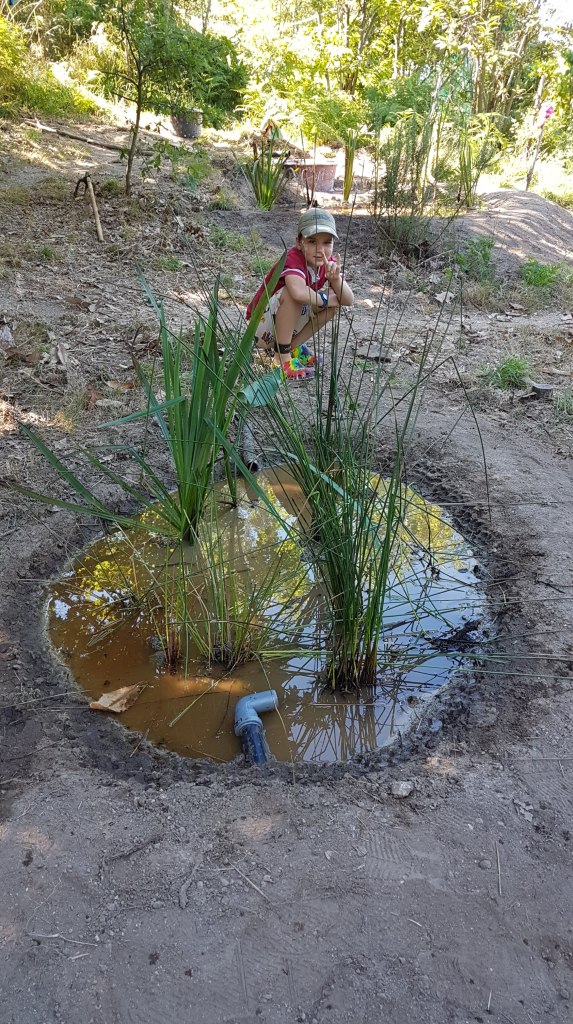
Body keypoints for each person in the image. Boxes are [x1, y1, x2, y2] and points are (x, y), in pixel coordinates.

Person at [246, 208, 354, 380]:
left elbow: (348, 299)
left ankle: (292, 348)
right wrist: (326, 299)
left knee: (331, 306)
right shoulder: (293, 258)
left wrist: (335, 280)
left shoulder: (327, 263)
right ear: (298, 242)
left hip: (282, 329)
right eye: (312, 241)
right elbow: (297, 292)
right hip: (259, 327)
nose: (320, 249)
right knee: (293, 295)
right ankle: (282, 360)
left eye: (327, 242)